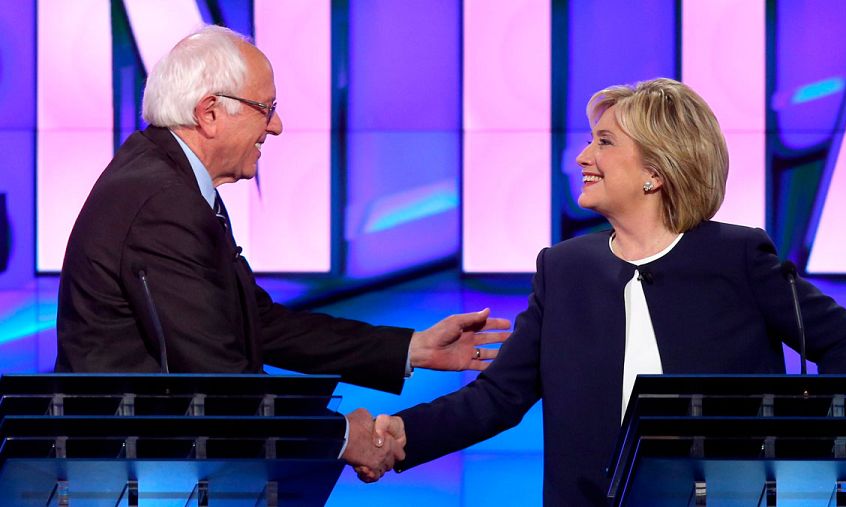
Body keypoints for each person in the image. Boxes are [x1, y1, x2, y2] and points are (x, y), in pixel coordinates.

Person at [369, 78, 846, 504]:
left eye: (605, 142)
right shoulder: (564, 269)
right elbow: (499, 397)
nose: (584, 155)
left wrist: (802, 449)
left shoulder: (736, 257)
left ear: (655, 172)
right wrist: (401, 434)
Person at [54, 25, 508, 475]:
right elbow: (216, 379)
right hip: (133, 476)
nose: (276, 126)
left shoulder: (166, 180)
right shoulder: (162, 202)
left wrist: (412, 348)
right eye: (265, 108)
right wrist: (343, 436)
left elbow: (259, 323)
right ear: (209, 112)